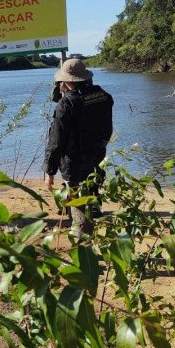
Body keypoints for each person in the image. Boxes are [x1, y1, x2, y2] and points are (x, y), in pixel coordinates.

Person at [43, 58, 114, 231]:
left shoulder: (66, 104)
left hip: (73, 161)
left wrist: (49, 171)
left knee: (78, 203)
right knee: (92, 189)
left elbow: (56, 141)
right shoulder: (103, 96)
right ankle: (95, 220)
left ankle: (82, 236)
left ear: (65, 81)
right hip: (97, 154)